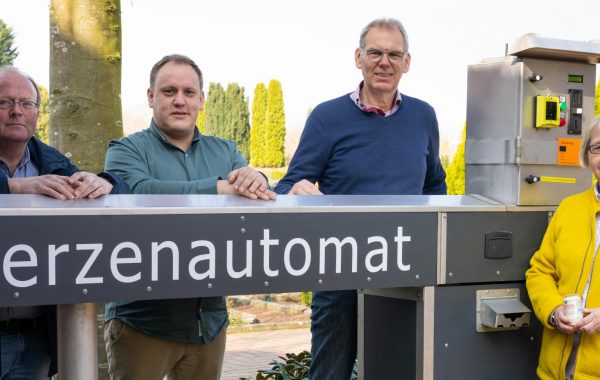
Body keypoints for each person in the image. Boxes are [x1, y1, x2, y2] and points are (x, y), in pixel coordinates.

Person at [274, 18, 447, 380]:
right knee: (329, 373)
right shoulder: (327, 117)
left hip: (403, 273)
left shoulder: (423, 116)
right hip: (339, 274)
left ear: (407, 62)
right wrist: (295, 190)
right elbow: (289, 184)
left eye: (394, 54)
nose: (384, 62)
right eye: (375, 52)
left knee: (401, 370)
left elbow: (434, 187)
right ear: (359, 58)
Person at [103, 54, 276, 380]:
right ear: (151, 97)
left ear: (201, 99)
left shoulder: (226, 151)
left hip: (207, 323)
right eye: (168, 91)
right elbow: (140, 191)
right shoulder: (125, 150)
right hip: (143, 323)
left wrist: (260, 181)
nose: (180, 100)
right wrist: (219, 188)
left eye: (188, 92)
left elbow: (254, 195)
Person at [0, 66, 129, 379]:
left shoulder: (53, 163)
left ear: (37, 113)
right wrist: (13, 187)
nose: (16, 111)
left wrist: (105, 183)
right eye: (4, 102)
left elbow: (126, 193)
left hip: (34, 341)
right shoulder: (32, 178)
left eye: (26, 103)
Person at [526, 117, 600, 380]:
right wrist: (554, 311)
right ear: (587, 156)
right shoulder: (569, 208)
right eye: (598, 148)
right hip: (553, 373)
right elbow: (540, 272)